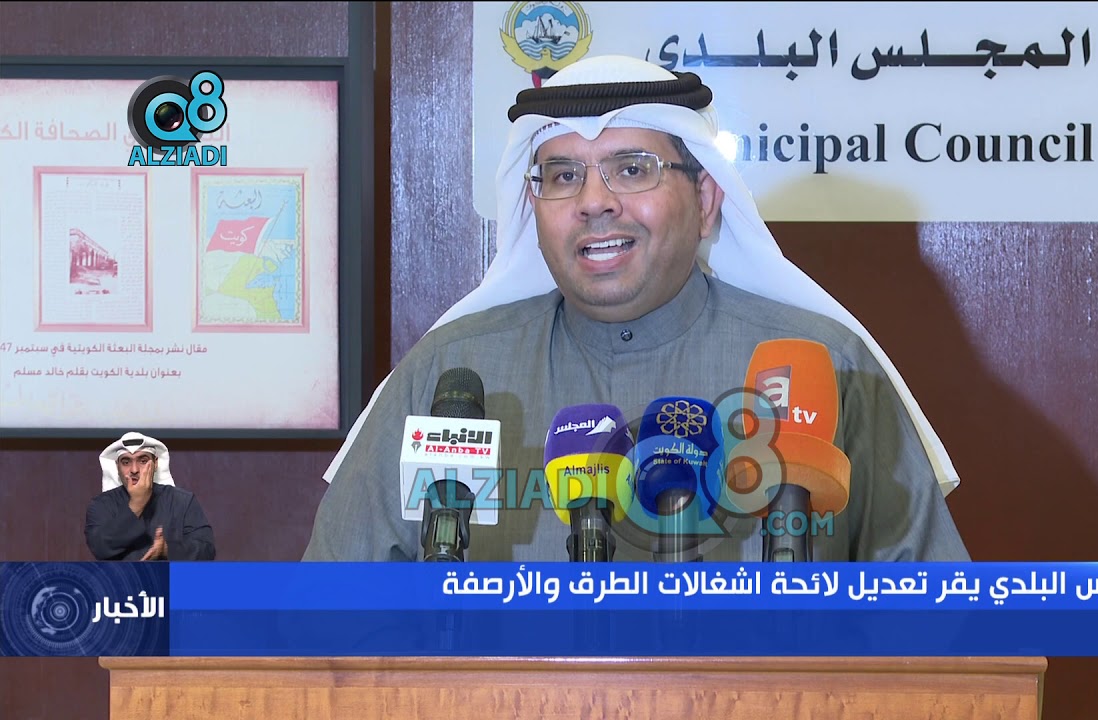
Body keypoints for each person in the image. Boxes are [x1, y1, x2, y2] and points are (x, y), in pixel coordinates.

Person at [304, 55, 969, 563]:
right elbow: (329, 621)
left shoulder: (828, 368)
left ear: (705, 200)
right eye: (563, 175)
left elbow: (939, 634)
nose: (594, 201)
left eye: (632, 168)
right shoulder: (450, 375)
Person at [85, 431, 216, 561]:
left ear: (156, 463)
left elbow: (207, 551)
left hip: (170, 575)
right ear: (117, 467)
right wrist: (136, 504)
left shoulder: (182, 501)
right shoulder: (101, 505)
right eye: (126, 462)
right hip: (121, 575)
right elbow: (99, 547)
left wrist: (167, 549)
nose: (134, 470)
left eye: (143, 461)